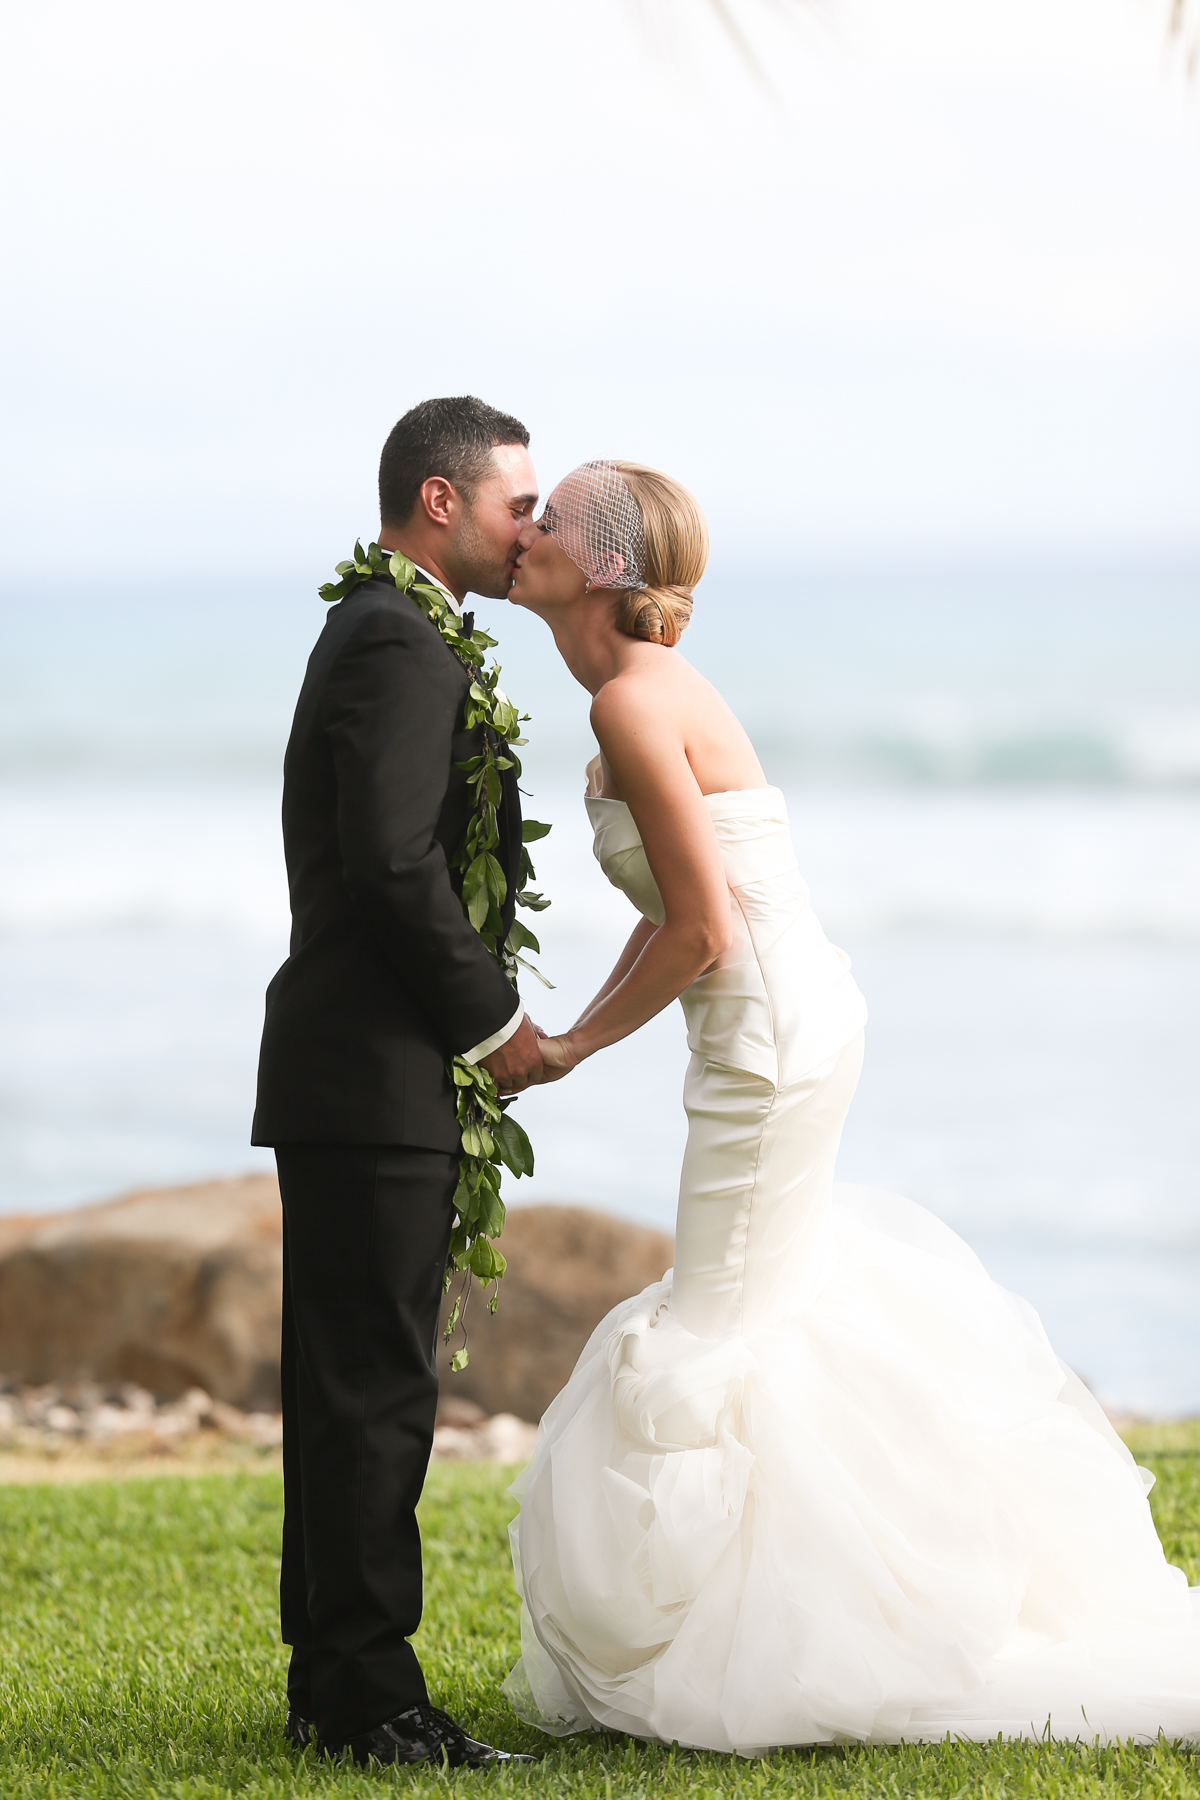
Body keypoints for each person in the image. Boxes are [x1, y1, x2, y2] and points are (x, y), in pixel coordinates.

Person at [501, 458, 1200, 1753]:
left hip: (767, 1044)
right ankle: (815, 1583)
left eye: (550, 518)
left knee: (716, 1327)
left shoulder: (636, 709)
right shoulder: (634, 694)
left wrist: (572, 1050)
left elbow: (701, 929)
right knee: (764, 1304)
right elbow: (681, 913)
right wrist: (570, 1032)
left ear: (601, 568)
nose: (523, 529)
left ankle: (809, 1622)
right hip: (780, 1025)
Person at [251, 396, 543, 1768]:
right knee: (375, 1390)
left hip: (351, 1074)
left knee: (348, 1386)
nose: (526, 526)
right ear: (441, 501)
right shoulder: (397, 637)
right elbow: (393, 861)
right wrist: (494, 1027)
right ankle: (371, 1702)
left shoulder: (385, 626)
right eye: (513, 503)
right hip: (376, 1076)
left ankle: (334, 1685)